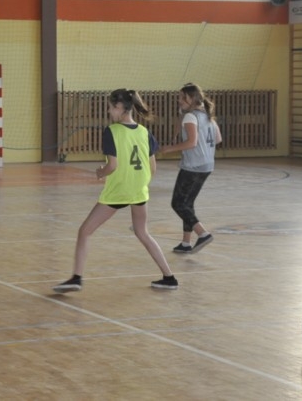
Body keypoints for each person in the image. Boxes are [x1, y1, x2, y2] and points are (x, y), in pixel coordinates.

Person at [53, 89, 178, 293]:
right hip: (139, 190)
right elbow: (153, 167)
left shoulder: (112, 131)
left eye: (110, 108)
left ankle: (76, 278)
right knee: (142, 232)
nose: (109, 112)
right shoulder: (144, 132)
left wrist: (100, 172)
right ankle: (169, 277)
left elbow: (112, 165)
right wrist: (140, 184)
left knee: (84, 231)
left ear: (120, 108)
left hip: (119, 190)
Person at [159, 83, 222, 254]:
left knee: (178, 203)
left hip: (193, 166)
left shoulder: (191, 116)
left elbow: (191, 142)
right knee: (188, 204)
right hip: (207, 165)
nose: (179, 100)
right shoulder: (207, 116)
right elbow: (218, 139)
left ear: (191, 98)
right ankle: (186, 242)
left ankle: (202, 233)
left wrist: (169, 149)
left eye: (182, 97)